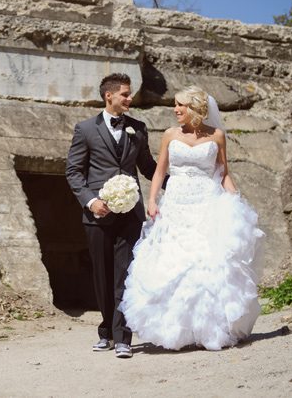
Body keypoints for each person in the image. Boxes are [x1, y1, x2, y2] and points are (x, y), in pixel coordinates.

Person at [120, 86, 264, 351]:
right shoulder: (169, 135)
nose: (175, 109)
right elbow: (160, 172)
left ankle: (209, 328)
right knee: (174, 262)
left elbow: (224, 174)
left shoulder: (217, 136)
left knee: (205, 262)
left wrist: (237, 200)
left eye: (180, 105)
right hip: (175, 204)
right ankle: (177, 330)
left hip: (207, 203)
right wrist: (152, 200)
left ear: (195, 107)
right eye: (175, 104)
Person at [66, 73, 161, 359]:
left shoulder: (139, 129)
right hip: (98, 216)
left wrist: (175, 181)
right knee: (103, 276)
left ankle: (123, 337)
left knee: (125, 275)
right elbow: (73, 172)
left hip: (130, 215)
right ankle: (106, 331)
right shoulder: (85, 130)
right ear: (110, 96)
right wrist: (91, 201)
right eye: (126, 95)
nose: (130, 99)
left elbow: (147, 166)